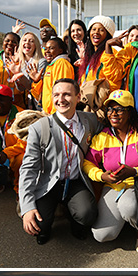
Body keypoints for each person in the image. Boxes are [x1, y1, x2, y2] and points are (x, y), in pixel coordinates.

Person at [19, 77, 99, 245]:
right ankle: (47, 220)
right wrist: (27, 208)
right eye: (56, 95)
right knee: (38, 225)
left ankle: (74, 219)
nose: (60, 99)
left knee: (87, 215)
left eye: (67, 95)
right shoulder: (39, 128)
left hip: (76, 181)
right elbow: (28, 169)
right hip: (49, 182)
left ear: (78, 97)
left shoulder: (90, 121)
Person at [83, 89, 138, 249]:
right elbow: (87, 163)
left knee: (128, 206)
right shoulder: (102, 136)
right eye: (110, 109)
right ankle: (128, 217)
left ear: (130, 112)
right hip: (113, 186)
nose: (113, 113)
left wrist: (135, 171)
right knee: (102, 236)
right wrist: (101, 176)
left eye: (120, 109)